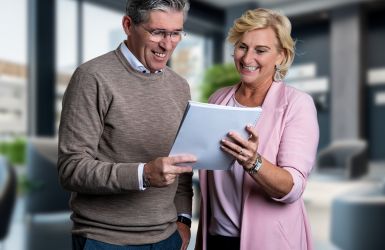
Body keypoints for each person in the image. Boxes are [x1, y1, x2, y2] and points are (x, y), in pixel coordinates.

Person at [57, 1, 197, 249]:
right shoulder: (92, 77)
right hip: (105, 240)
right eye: (157, 32)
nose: (168, 44)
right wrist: (143, 174)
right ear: (128, 25)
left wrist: (183, 218)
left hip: (167, 238)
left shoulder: (180, 86)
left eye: (176, 33)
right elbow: (71, 169)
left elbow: (181, 165)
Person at [195, 8, 319, 250]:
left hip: (271, 242)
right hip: (217, 238)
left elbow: (293, 187)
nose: (247, 58)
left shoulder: (297, 104)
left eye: (261, 50)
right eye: (242, 47)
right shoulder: (218, 99)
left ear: (281, 56)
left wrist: (254, 162)